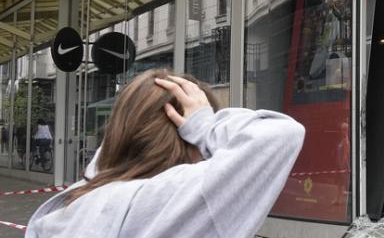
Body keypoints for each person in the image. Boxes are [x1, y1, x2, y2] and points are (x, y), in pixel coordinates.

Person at [25, 69, 305, 238]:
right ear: (185, 138)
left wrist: (134, 112)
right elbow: (280, 134)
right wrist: (204, 124)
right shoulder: (172, 201)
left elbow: (106, 162)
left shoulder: (70, 206)